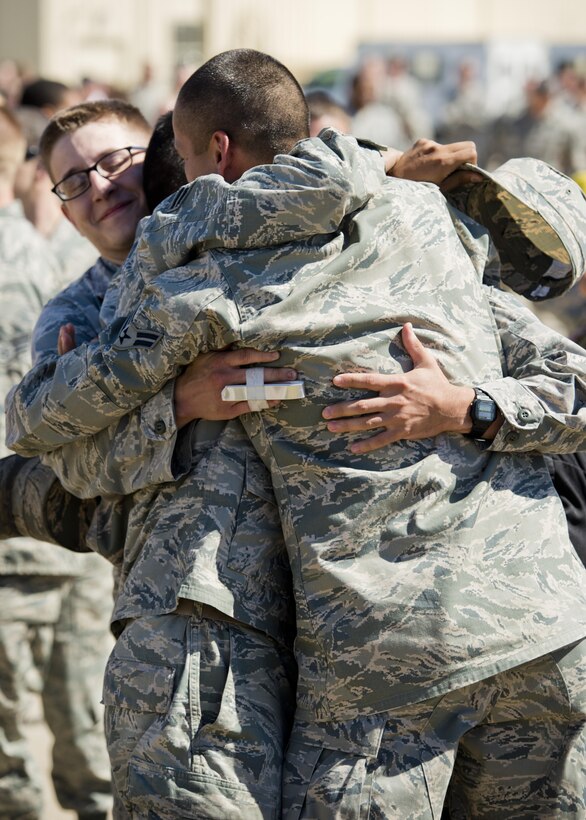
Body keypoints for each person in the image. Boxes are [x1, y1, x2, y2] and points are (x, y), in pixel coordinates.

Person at [6, 48, 586, 819]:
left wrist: (464, 405)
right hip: (217, 636)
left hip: (392, 646)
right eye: (72, 181)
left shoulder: (221, 261)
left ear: (192, 161)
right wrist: (174, 407)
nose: (102, 186)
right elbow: (61, 458)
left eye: (117, 160)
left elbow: (565, 372)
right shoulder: (85, 314)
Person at [0, 107, 113, 820]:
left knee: (16, 737)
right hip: (83, 517)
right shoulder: (84, 254)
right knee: (86, 715)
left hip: (17, 521)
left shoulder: (64, 254)